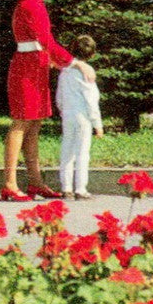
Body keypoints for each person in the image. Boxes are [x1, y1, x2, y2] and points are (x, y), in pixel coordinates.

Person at [1, 0, 95, 202]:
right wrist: (76, 62)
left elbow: (41, 43)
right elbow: (47, 42)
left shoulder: (27, 2)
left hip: (33, 66)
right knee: (21, 123)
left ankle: (35, 182)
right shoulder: (34, 5)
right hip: (28, 69)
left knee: (33, 125)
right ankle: (10, 184)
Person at [56, 34, 103, 200]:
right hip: (83, 117)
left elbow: (59, 97)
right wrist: (97, 124)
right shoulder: (87, 73)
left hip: (68, 115)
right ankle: (80, 189)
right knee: (82, 152)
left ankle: (66, 187)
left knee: (67, 150)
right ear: (92, 54)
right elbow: (91, 100)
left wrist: (62, 111)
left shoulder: (65, 72)